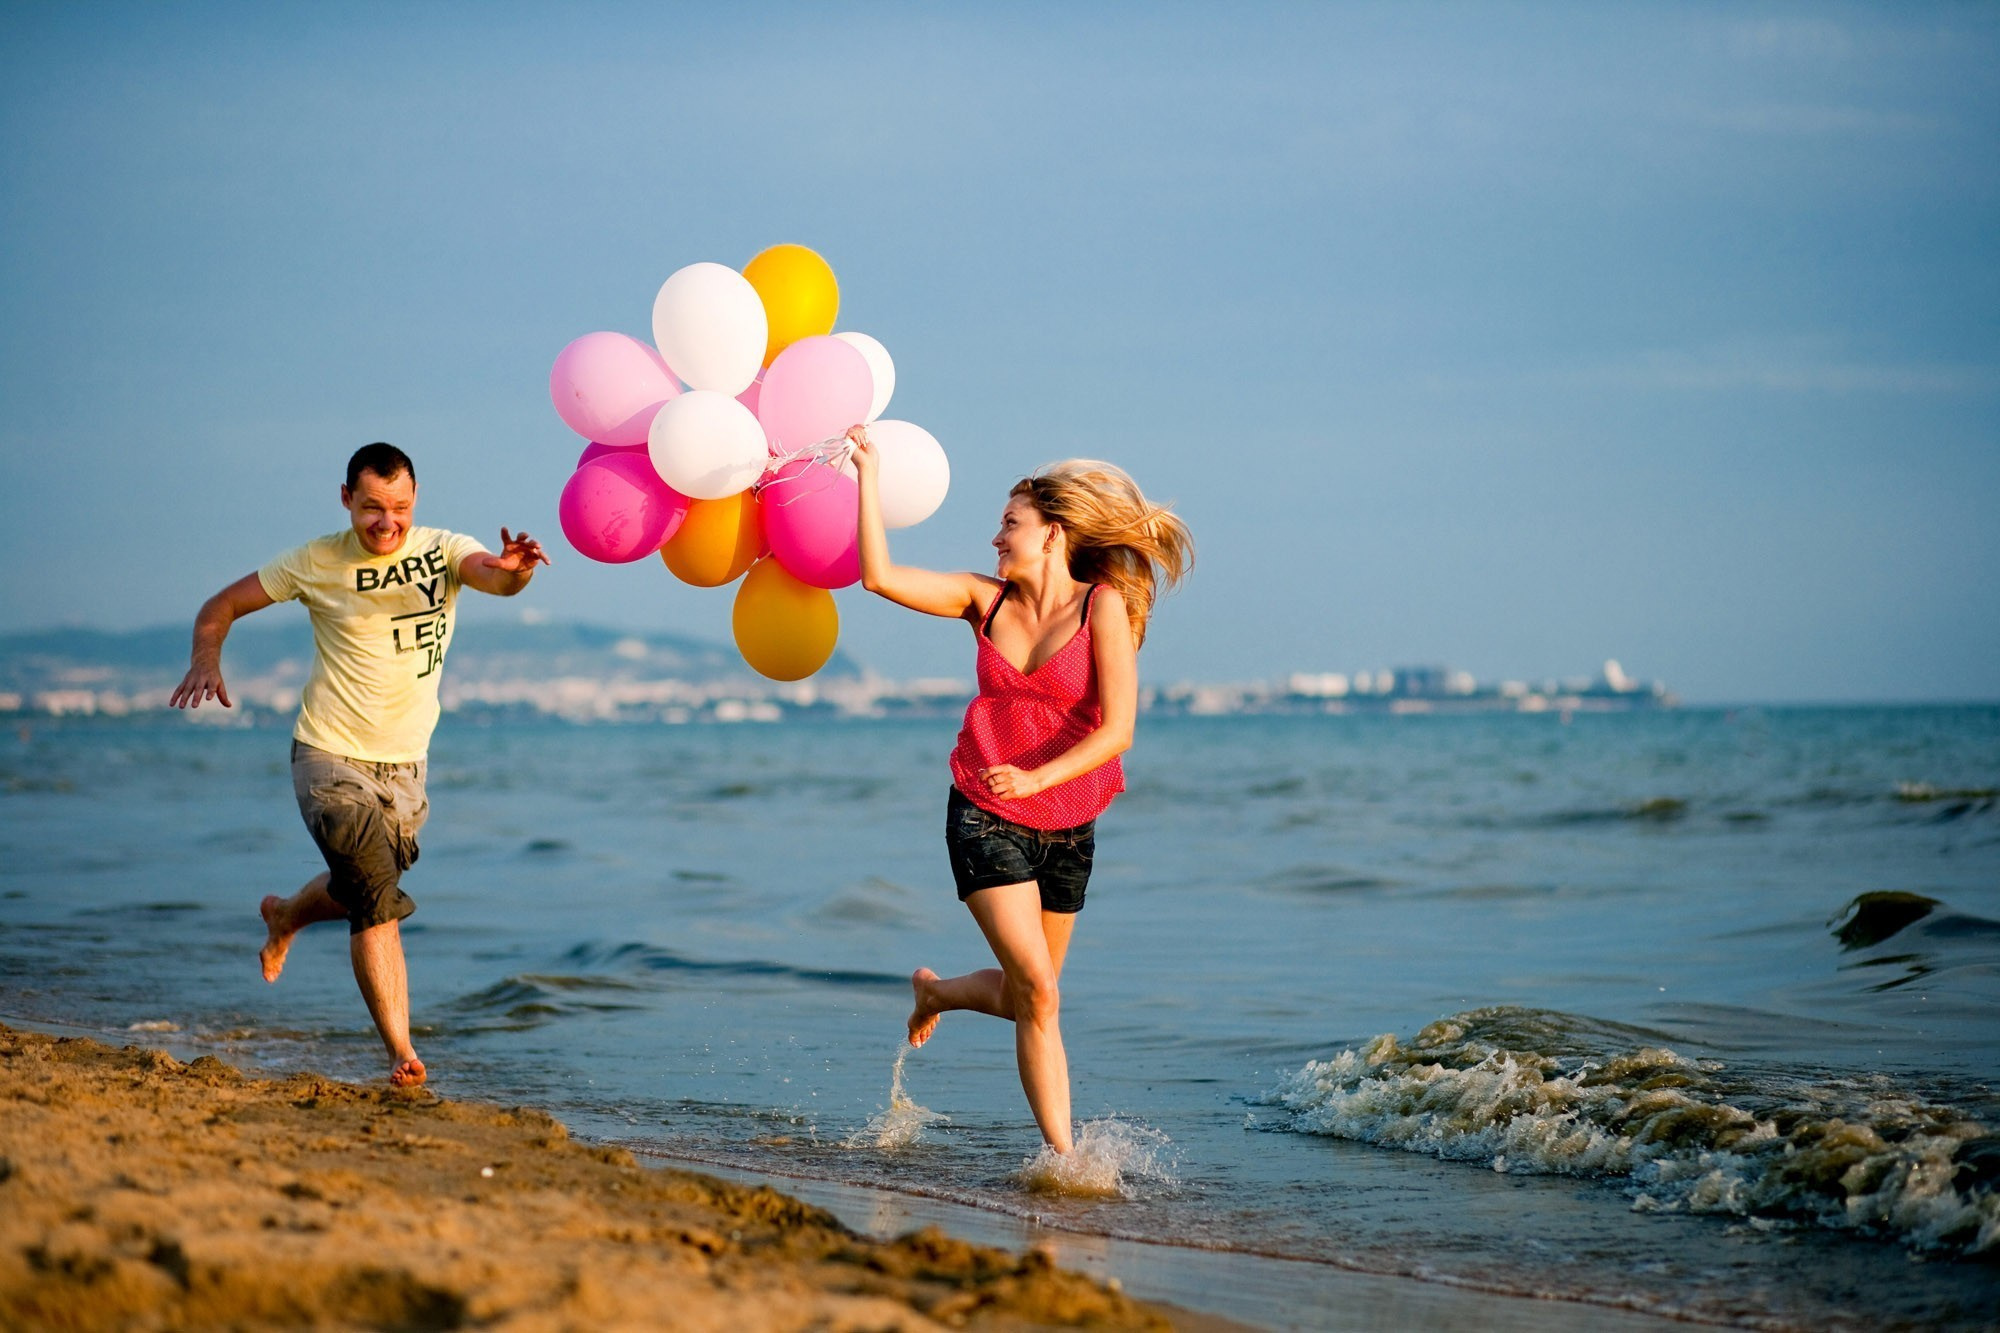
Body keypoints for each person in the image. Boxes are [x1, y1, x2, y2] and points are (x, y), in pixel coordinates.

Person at [848, 426, 1193, 1153]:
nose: (996, 537)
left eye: (1010, 523)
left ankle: (936, 991)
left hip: (1068, 822)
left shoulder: (1102, 607)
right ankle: (1066, 1163)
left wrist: (1039, 775)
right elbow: (877, 577)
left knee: (1022, 995)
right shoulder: (984, 601)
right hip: (984, 813)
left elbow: (1119, 730)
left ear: (1053, 534)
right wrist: (867, 476)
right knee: (1042, 990)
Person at [170, 443, 549, 1087]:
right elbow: (220, 605)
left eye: (399, 507)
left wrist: (518, 571)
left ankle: (286, 915)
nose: (387, 523)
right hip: (327, 755)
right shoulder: (314, 561)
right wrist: (207, 657)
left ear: (416, 497)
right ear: (346, 498)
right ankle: (401, 1049)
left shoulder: (443, 548)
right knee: (375, 893)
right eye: (372, 508)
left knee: (361, 883)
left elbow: (496, 576)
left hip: (406, 768)